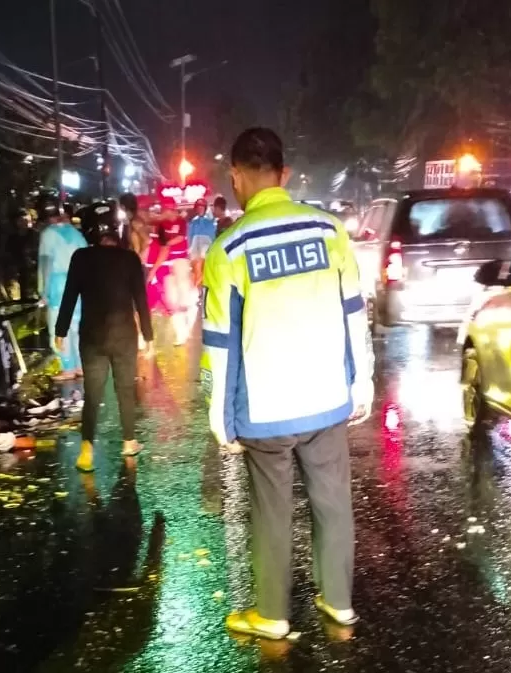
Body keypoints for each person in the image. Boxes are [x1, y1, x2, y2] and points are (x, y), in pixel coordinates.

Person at [201, 128, 374, 639]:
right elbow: (354, 312)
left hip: (266, 409)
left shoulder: (229, 247)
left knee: (271, 508)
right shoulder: (329, 231)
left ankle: (273, 615)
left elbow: (220, 341)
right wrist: (361, 381)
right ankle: (339, 601)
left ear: (235, 177)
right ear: (285, 175)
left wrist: (220, 417)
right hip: (326, 399)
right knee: (332, 501)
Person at [56, 205, 154, 472]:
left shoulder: (80, 257)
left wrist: (60, 331)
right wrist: (149, 336)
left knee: (93, 393)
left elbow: (69, 296)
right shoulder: (130, 259)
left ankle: (86, 451)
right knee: (124, 390)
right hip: (124, 336)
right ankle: (129, 442)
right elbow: (141, 301)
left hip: (92, 338)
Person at [38, 193, 87, 380]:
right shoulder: (76, 233)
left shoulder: (48, 235)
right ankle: (82, 366)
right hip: (80, 286)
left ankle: (68, 367)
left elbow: (46, 266)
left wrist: (43, 291)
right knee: (77, 327)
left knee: (59, 328)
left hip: (58, 288)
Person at [148, 198, 192, 345]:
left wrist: (166, 243)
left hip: (180, 260)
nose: (163, 211)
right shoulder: (161, 223)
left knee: (183, 296)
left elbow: (180, 237)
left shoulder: (181, 222)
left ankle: (187, 321)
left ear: (172, 208)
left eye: (165, 208)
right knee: (171, 299)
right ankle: (181, 333)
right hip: (165, 263)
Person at [187, 198, 217, 287]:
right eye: (198, 207)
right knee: (196, 270)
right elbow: (189, 237)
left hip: (207, 249)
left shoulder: (210, 222)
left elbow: (213, 236)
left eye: (202, 207)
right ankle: (197, 290)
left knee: (205, 271)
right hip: (195, 250)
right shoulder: (192, 223)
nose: (200, 209)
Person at [9, 208, 39, 299]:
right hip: (20, 273)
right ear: (17, 222)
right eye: (23, 220)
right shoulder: (12, 238)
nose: (26, 223)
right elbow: (10, 254)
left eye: (28, 220)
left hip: (35, 272)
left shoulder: (35, 235)